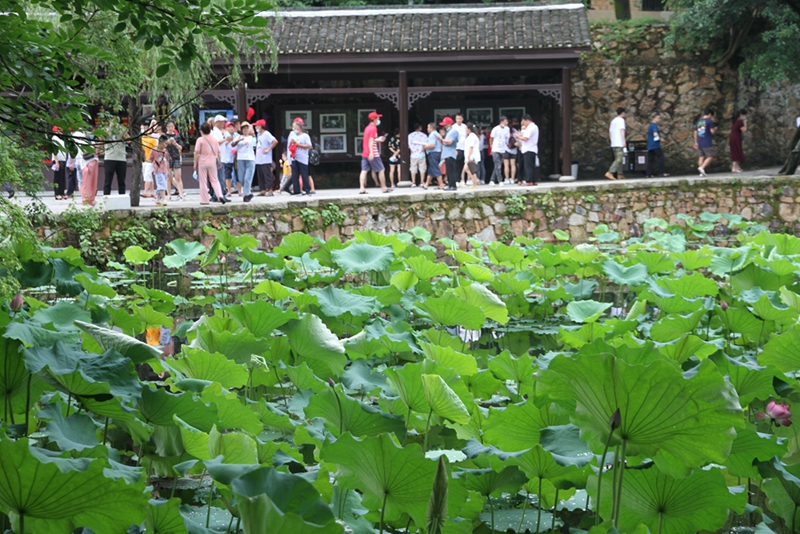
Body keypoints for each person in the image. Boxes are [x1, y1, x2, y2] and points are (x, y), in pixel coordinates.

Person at [193, 122, 227, 205]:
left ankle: (205, 200)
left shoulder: (200, 140)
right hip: (212, 162)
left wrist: (195, 163)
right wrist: (219, 161)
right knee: (215, 180)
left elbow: (196, 152)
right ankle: (220, 196)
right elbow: (218, 152)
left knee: (203, 181)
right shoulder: (215, 140)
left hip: (203, 162)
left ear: (201, 131)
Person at [359, 111, 390, 194]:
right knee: (381, 169)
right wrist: (372, 152)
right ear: (374, 119)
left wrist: (378, 139)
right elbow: (370, 140)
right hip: (373, 153)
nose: (379, 119)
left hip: (365, 152)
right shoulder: (373, 128)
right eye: (378, 118)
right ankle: (383, 188)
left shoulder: (367, 128)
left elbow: (370, 139)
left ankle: (361, 188)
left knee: (364, 170)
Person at [102, 117, 128, 196]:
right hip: (109, 157)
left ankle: (122, 197)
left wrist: (124, 132)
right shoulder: (106, 131)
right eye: (112, 122)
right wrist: (107, 130)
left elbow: (129, 140)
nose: (114, 124)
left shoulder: (122, 130)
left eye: (116, 122)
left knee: (121, 181)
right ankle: (106, 198)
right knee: (108, 180)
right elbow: (100, 139)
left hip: (121, 158)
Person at [288, 117, 313, 195]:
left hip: (303, 157)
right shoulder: (293, 136)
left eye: (294, 127)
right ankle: (296, 190)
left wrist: (299, 145)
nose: (293, 129)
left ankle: (307, 189)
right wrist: (291, 143)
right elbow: (289, 147)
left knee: (304, 174)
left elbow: (309, 146)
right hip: (294, 157)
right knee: (295, 175)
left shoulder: (305, 136)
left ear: (298, 127)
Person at [253, 119, 277, 196]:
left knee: (267, 175)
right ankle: (262, 190)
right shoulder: (259, 135)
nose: (255, 127)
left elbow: (275, 141)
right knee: (260, 176)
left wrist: (268, 149)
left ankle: (270, 190)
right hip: (259, 158)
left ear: (260, 126)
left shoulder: (266, 134)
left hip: (265, 159)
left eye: (257, 125)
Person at [233, 123, 256, 202]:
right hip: (240, 159)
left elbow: (255, 145)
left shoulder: (251, 137)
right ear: (241, 130)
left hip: (250, 158)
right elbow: (233, 144)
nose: (245, 130)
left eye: (247, 128)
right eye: (244, 129)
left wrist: (253, 135)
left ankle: (246, 195)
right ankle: (249, 193)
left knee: (247, 178)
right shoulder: (238, 137)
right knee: (241, 178)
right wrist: (239, 140)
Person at [163, 121, 185, 200]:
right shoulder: (164, 136)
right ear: (166, 127)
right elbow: (160, 147)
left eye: (172, 126)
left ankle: (181, 194)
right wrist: (167, 143)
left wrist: (175, 143)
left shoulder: (177, 136)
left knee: (178, 177)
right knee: (169, 177)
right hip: (167, 158)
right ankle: (168, 195)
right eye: (169, 126)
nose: (171, 128)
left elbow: (181, 147)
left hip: (176, 157)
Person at [515, 114, 539, 186]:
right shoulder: (535, 126)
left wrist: (518, 136)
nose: (523, 123)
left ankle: (529, 180)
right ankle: (534, 180)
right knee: (532, 165)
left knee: (528, 166)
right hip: (532, 148)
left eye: (523, 121)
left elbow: (525, 138)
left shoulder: (530, 127)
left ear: (527, 120)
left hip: (528, 148)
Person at [605, 108, 627, 181]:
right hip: (619, 142)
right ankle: (610, 172)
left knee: (618, 158)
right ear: (623, 113)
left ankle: (620, 174)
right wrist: (624, 141)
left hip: (614, 143)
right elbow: (622, 131)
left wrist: (612, 141)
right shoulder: (621, 120)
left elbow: (610, 132)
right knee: (619, 158)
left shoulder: (613, 121)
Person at [694, 108, 716, 176]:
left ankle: (701, 172)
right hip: (707, 141)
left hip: (700, 141)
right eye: (711, 115)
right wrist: (715, 129)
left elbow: (695, 132)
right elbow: (712, 131)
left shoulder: (698, 122)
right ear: (709, 114)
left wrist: (695, 142)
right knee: (710, 156)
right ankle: (702, 168)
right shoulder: (709, 121)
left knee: (701, 156)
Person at [422, 122, 444, 190]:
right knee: (431, 169)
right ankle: (426, 184)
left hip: (433, 153)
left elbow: (432, 145)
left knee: (435, 168)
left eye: (428, 128)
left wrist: (424, 147)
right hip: (437, 153)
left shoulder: (432, 135)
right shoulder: (438, 134)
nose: (427, 129)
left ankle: (441, 184)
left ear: (431, 128)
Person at [149, 137, 169, 206]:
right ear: (160, 143)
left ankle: (157, 199)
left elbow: (168, 159)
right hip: (158, 170)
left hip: (165, 169)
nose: (166, 145)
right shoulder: (154, 150)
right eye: (165, 143)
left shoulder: (165, 151)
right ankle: (164, 198)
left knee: (161, 184)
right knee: (162, 184)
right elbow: (151, 159)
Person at [221, 121, 239, 196]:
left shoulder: (237, 135)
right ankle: (229, 191)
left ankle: (239, 191)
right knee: (228, 175)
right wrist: (228, 140)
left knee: (238, 175)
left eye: (232, 126)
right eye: (229, 127)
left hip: (236, 158)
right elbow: (221, 145)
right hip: (227, 158)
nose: (231, 128)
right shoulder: (223, 136)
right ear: (226, 128)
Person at [646, 113, 667, 178]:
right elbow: (655, 134)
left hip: (650, 145)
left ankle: (648, 174)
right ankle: (661, 172)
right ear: (654, 118)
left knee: (650, 160)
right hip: (655, 145)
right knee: (661, 158)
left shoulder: (650, 126)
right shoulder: (654, 126)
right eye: (659, 118)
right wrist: (661, 139)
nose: (660, 120)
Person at [489, 117, 509, 185]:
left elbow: (507, 138)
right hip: (496, 149)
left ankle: (492, 180)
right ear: (501, 121)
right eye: (506, 121)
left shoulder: (507, 129)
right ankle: (500, 180)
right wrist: (491, 146)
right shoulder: (495, 129)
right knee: (498, 165)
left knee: (498, 165)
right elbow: (491, 138)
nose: (507, 123)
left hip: (503, 148)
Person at [441, 116, 459, 191]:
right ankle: (450, 185)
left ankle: (453, 186)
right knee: (448, 171)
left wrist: (442, 140)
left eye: (445, 124)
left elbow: (450, 142)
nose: (444, 126)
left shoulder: (453, 131)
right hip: (447, 153)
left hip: (451, 153)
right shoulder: (448, 132)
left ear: (449, 124)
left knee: (451, 170)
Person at [463, 122, 481, 188]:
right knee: (468, 169)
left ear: (469, 129)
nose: (465, 130)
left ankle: (475, 183)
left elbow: (471, 146)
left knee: (471, 169)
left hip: (472, 155)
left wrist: (469, 156)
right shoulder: (471, 136)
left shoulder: (472, 136)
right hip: (471, 155)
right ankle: (475, 181)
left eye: (466, 128)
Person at [51, 126, 68, 199]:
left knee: (62, 177)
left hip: (63, 159)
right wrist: (56, 161)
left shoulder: (61, 139)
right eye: (59, 131)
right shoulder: (54, 138)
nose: (61, 132)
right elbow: (54, 151)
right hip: (57, 160)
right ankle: (57, 193)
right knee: (57, 177)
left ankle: (62, 192)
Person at [730, 109, 747, 173]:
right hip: (736, 138)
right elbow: (744, 130)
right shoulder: (739, 122)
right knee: (736, 151)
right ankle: (734, 168)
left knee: (735, 150)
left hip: (732, 137)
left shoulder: (735, 121)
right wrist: (745, 123)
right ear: (741, 115)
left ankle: (737, 167)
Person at [453, 113, 467, 184]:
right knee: (456, 165)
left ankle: (462, 179)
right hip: (457, 148)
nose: (458, 120)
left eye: (460, 118)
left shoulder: (465, 126)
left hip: (464, 148)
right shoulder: (453, 127)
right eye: (457, 119)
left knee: (463, 164)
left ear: (462, 119)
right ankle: (456, 180)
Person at [507, 116, 520, 184]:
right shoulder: (514, 130)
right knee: (513, 164)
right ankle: (512, 178)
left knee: (506, 165)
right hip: (514, 149)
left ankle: (507, 178)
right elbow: (518, 140)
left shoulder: (505, 130)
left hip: (506, 149)